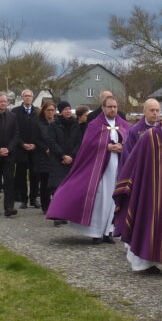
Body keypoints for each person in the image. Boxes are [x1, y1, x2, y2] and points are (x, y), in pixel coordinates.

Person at [46, 94, 131, 242]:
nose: (112, 109)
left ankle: (108, 232)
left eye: (115, 107)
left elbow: (130, 143)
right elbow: (88, 145)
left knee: (113, 201)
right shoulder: (95, 125)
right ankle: (96, 233)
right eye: (109, 107)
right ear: (103, 108)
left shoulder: (124, 124)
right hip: (99, 171)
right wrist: (106, 146)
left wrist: (122, 147)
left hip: (118, 169)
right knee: (100, 200)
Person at [113, 111, 162, 273]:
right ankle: (145, 264)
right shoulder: (149, 137)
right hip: (150, 191)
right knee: (147, 224)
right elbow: (135, 161)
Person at [45, 102, 77, 225]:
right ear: (60, 111)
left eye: (69, 109)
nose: (68, 111)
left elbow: (79, 142)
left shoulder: (75, 125)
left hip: (71, 160)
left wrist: (72, 156)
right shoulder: (54, 125)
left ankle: (65, 213)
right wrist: (62, 155)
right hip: (58, 159)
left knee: (68, 188)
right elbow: (51, 141)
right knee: (57, 187)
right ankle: (56, 215)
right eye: (65, 109)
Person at [13, 89, 40, 208]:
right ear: (22, 97)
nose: (28, 98)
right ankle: (23, 199)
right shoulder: (15, 112)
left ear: (32, 98)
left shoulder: (38, 112)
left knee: (35, 175)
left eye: (30, 96)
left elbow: (41, 131)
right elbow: (14, 130)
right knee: (21, 175)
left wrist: (35, 144)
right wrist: (21, 143)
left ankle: (33, 199)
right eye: (26, 96)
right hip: (21, 148)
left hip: (35, 149)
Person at [31, 99, 58, 214]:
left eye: (53, 110)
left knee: (55, 182)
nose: (51, 112)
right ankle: (45, 205)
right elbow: (36, 139)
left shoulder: (56, 122)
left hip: (55, 155)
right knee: (45, 182)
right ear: (44, 111)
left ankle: (55, 204)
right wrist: (45, 148)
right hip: (42, 155)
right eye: (48, 110)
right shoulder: (38, 123)